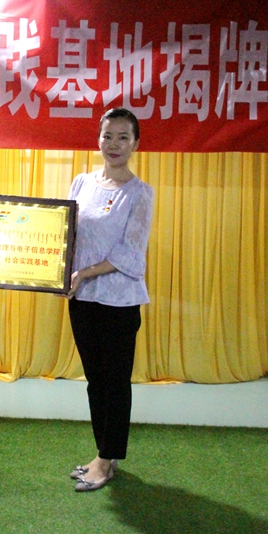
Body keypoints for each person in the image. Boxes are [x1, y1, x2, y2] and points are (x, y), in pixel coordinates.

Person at [66, 107, 154, 492]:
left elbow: (129, 254)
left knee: (115, 382)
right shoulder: (81, 183)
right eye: (107, 136)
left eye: (122, 137)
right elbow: (65, 233)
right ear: (98, 139)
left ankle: (106, 460)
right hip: (82, 299)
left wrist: (84, 272)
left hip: (118, 302)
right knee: (95, 381)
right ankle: (103, 453)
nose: (113, 144)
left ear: (135, 144)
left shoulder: (140, 194)